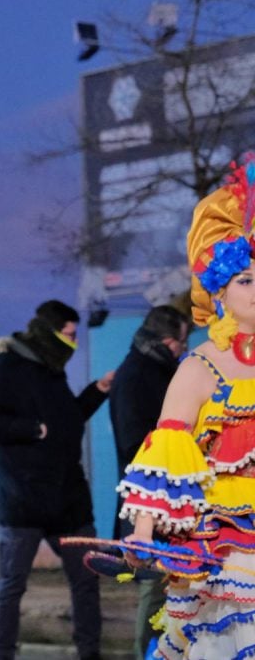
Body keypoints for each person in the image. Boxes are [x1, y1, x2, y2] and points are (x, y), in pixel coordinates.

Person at [121, 152, 255, 658]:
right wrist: (143, 531)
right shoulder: (200, 366)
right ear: (219, 291)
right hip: (225, 543)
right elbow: (167, 453)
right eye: (246, 280)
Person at [0, 299, 111, 660]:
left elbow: (67, 421)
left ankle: (90, 653)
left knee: (87, 579)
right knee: (11, 585)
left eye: (76, 335)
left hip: (66, 498)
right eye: (68, 335)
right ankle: (3, 654)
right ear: (48, 332)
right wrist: (32, 429)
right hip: (21, 498)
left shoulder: (52, 370)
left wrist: (97, 391)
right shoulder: (8, 365)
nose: (73, 343)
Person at [107, 304, 190, 659]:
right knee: (155, 588)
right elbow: (134, 443)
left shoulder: (150, 370)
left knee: (168, 588)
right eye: (182, 344)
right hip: (150, 497)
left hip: (165, 495)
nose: (184, 351)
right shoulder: (138, 375)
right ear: (169, 342)